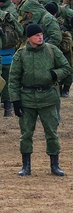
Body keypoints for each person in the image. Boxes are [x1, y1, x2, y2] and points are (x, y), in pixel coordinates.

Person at [9, 24, 72, 176]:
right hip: (27, 99)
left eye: (41, 34)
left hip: (48, 97)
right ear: (29, 37)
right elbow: (13, 79)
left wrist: (53, 75)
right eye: (36, 35)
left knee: (51, 132)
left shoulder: (52, 50)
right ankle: (26, 166)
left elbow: (66, 67)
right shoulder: (21, 54)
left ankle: (54, 165)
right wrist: (15, 101)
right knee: (26, 134)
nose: (40, 37)